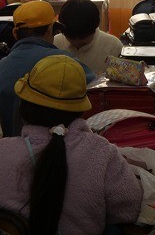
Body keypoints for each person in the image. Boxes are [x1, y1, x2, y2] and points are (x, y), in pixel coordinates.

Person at [0, 55, 142, 234]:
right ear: (80, 109)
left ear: (24, 107)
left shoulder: (3, 151)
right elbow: (129, 210)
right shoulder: (101, 152)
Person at [0, 0, 95, 137]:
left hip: (11, 147)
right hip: (61, 147)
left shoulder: (2, 65)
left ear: (15, 34)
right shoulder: (64, 62)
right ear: (50, 29)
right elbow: (96, 90)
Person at [53, 0, 123, 74]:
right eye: (71, 38)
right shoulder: (54, 44)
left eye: (82, 40)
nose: (77, 43)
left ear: (95, 26)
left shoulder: (113, 46)